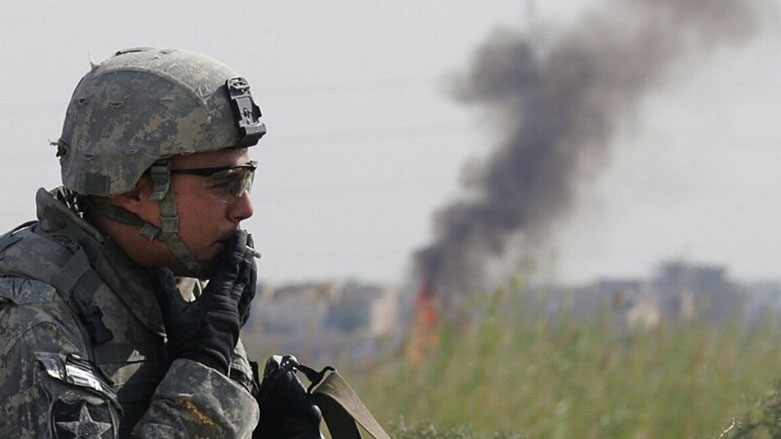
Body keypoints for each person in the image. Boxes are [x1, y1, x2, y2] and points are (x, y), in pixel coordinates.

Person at [0, 47, 265, 438]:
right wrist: (204, 377)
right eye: (226, 184)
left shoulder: (177, 290)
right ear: (134, 190)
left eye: (247, 179)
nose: (245, 208)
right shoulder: (32, 319)